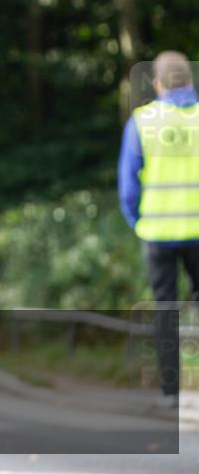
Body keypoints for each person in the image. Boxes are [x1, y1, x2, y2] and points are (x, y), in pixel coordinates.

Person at [118, 50, 199, 409]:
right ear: (191, 80)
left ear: (158, 83)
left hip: (158, 234)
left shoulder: (143, 121)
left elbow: (128, 187)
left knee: (166, 308)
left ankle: (171, 392)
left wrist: (138, 222)